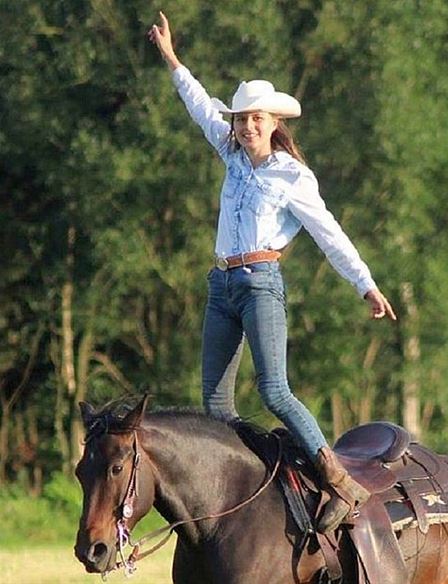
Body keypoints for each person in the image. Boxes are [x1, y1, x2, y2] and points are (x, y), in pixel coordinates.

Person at [148, 12, 397, 534]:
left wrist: (365, 283)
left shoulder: (292, 176)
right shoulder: (231, 152)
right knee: (215, 403)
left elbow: (330, 233)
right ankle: (244, 488)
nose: (248, 126)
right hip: (222, 285)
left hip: (261, 284)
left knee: (274, 391)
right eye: (241, 119)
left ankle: (338, 483)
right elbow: (197, 103)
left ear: (274, 122)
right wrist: (172, 58)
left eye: (257, 118)